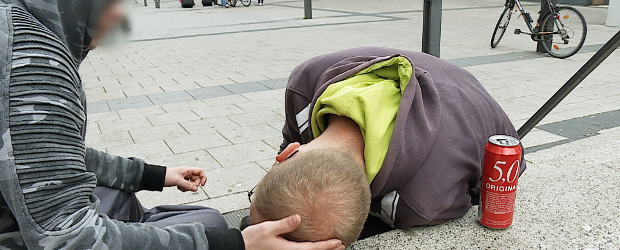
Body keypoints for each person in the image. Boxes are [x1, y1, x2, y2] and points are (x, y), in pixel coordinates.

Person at [0, 0, 345, 249]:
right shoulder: (32, 58)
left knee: (124, 195)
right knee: (208, 223)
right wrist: (233, 244)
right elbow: (67, 237)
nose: (120, 16)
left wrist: (152, 174)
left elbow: (53, 159)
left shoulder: (19, 23)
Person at [247, 47, 527, 245]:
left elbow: (471, 198)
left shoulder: (419, 205)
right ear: (287, 153)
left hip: (476, 113)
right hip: (440, 84)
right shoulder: (306, 79)